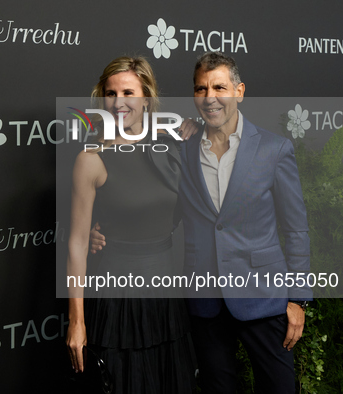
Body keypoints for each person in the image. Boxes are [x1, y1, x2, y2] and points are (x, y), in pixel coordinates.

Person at [91, 51, 312, 393]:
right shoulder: (181, 148)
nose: (210, 97)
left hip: (263, 298)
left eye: (219, 87)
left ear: (239, 91)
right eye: (201, 89)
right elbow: (160, 209)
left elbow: (296, 228)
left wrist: (298, 298)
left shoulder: (274, 149)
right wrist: (105, 231)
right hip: (204, 301)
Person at [66, 56, 197, 394]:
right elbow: (78, 245)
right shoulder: (91, 159)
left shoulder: (175, 147)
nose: (119, 101)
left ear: (147, 98)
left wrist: (198, 128)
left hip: (167, 295)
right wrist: (76, 322)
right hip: (117, 299)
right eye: (111, 93)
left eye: (128, 91)